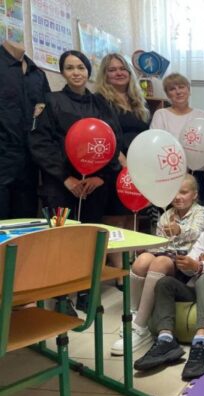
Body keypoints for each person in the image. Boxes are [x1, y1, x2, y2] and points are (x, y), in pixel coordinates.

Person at [29, 50, 122, 314]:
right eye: (70, 68)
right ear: (63, 72)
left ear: (88, 71)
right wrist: (66, 178)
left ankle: (85, 292)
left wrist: (100, 177)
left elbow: (113, 142)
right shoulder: (50, 102)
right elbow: (40, 144)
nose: (76, 73)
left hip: (93, 187)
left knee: (90, 241)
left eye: (80, 67)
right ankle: (61, 298)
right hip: (60, 187)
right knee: (61, 241)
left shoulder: (101, 104)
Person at [134, 202, 204, 381]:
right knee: (165, 283)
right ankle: (166, 339)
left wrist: (199, 264)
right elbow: (188, 264)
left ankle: (201, 342)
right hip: (194, 287)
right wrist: (202, 260)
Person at [110, 174, 204, 355]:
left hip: (187, 264)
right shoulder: (166, 215)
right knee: (142, 261)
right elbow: (160, 243)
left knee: (159, 262)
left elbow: (197, 233)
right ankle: (133, 316)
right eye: (174, 192)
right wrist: (148, 248)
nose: (178, 197)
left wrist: (179, 230)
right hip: (165, 257)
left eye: (184, 192)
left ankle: (141, 327)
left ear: (194, 195)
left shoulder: (200, 212)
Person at [95, 52, 151, 272]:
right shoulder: (101, 100)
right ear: (105, 74)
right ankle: (119, 271)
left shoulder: (138, 101)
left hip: (137, 167)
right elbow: (104, 135)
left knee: (131, 216)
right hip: (115, 166)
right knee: (116, 219)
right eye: (112, 70)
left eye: (122, 69)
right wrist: (123, 161)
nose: (118, 73)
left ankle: (128, 266)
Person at [0, 39, 50, 219]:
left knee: (25, 221)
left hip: (30, 162)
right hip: (3, 156)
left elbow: (47, 117)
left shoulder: (37, 74)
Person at [151, 72, 204, 210]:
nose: (178, 92)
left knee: (200, 216)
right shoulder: (161, 115)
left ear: (189, 90)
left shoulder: (201, 115)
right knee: (170, 219)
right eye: (172, 89)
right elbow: (157, 146)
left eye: (181, 87)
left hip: (196, 175)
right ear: (167, 94)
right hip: (168, 175)